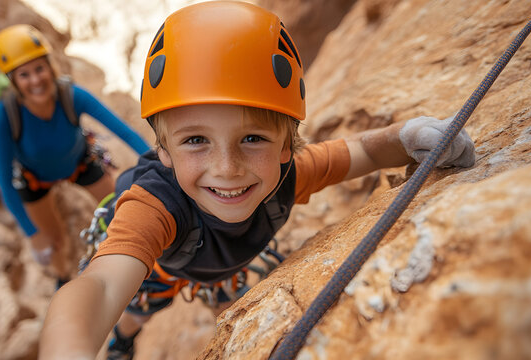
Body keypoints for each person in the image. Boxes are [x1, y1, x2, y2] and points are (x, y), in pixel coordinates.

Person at [38, 2, 475, 359]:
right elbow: (101, 285)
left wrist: (407, 138)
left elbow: (360, 151)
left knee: (227, 298)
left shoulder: (290, 175)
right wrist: (70, 350)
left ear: (287, 146)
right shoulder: (153, 207)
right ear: (164, 153)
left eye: (252, 138)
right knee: (138, 310)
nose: (227, 167)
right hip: (161, 266)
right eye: (195, 141)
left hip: (220, 266)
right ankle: (123, 343)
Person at [0, 24, 151, 287]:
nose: (35, 80)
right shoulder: (5, 116)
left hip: (79, 163)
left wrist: (156, 160)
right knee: (53, 243)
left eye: (39, 68)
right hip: (34, 180)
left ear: (50, 67)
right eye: (24, 74)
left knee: (118, 211)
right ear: (14, 81)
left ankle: (135, 266)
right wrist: (33, 235)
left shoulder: (72, 96)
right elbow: (4, 181)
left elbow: (125, 132)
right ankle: (62, 279)